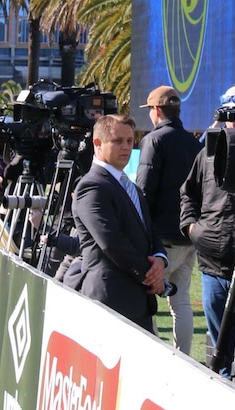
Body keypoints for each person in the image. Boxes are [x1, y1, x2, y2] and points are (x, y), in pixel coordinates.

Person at [180, 83, 235, 401]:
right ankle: (225, 406)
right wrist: (191, 228)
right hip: (212, 266)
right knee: (220, 347)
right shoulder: (208, 153)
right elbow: (187, 192)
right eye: (230, 113)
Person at [70, 114, 168, 333]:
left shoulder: (129, 185)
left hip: (137, 301)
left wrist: (160, 260)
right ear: (97, 143)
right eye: (117, 141)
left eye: (130, 141)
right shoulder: (91, 186)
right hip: (110, 300)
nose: (125, 147)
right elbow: (111, 242)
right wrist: (150, 277)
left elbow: (149, 229)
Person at [136, 85, 203, 355]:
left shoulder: (154, 140)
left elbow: (144, 189)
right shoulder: (193, 142)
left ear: (156, 110)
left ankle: (153, 357)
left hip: (161, 238)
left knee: (147, 298)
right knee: (181, 302)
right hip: (189, 234)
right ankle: (184, 358)